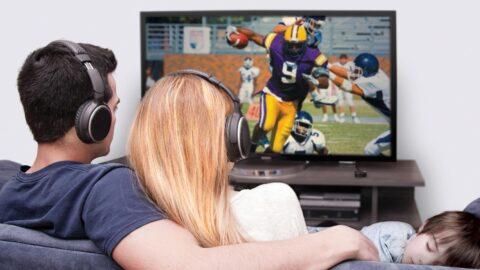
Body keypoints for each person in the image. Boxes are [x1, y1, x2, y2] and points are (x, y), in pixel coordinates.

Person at [0, 40, 378, 269]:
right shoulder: (107, 189)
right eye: (113, 107)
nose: (116, 115)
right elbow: (188, 266)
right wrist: (334, 240)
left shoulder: (10, 185)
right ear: (93, 121)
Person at [227, 24, 330, 153]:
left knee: (276, 148)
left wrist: (316, 80)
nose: (293, 48)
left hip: (292, 103)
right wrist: (235, 28)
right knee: (266, 124)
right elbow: (253, 35)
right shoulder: (276, 43)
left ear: (304, 43)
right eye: (290, 44)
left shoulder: (313, 54)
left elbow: (325, 82)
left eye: (297, 45)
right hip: (273, 94)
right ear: (284, 41)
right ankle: (252, 147)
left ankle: (266, 159)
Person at [325, 52, 391, 156]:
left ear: (365, 71)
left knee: (370, 150)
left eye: (357, 69)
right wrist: (327, 65)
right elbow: (349, 74)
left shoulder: (377, 83)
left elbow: (348, 87)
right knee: (371, 150)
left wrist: (328, 74)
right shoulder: (374, 73)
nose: (354, 71)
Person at [361, 211, 480, 268]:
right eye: (429, 247)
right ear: (424, 226)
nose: (427, 262)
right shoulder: (393, 235)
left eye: (439, 266)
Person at [333, 54, 360, 124]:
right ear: (339, 59)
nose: (343, 60)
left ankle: (354, 117)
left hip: (348, 85)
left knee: (350, 101)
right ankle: (342, 117)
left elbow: (355, 74)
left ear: (346, 59)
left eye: (344, 59)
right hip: (338, 86)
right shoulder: (336, 64)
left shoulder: (350, 65)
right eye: (341, 59)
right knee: (340, 102)